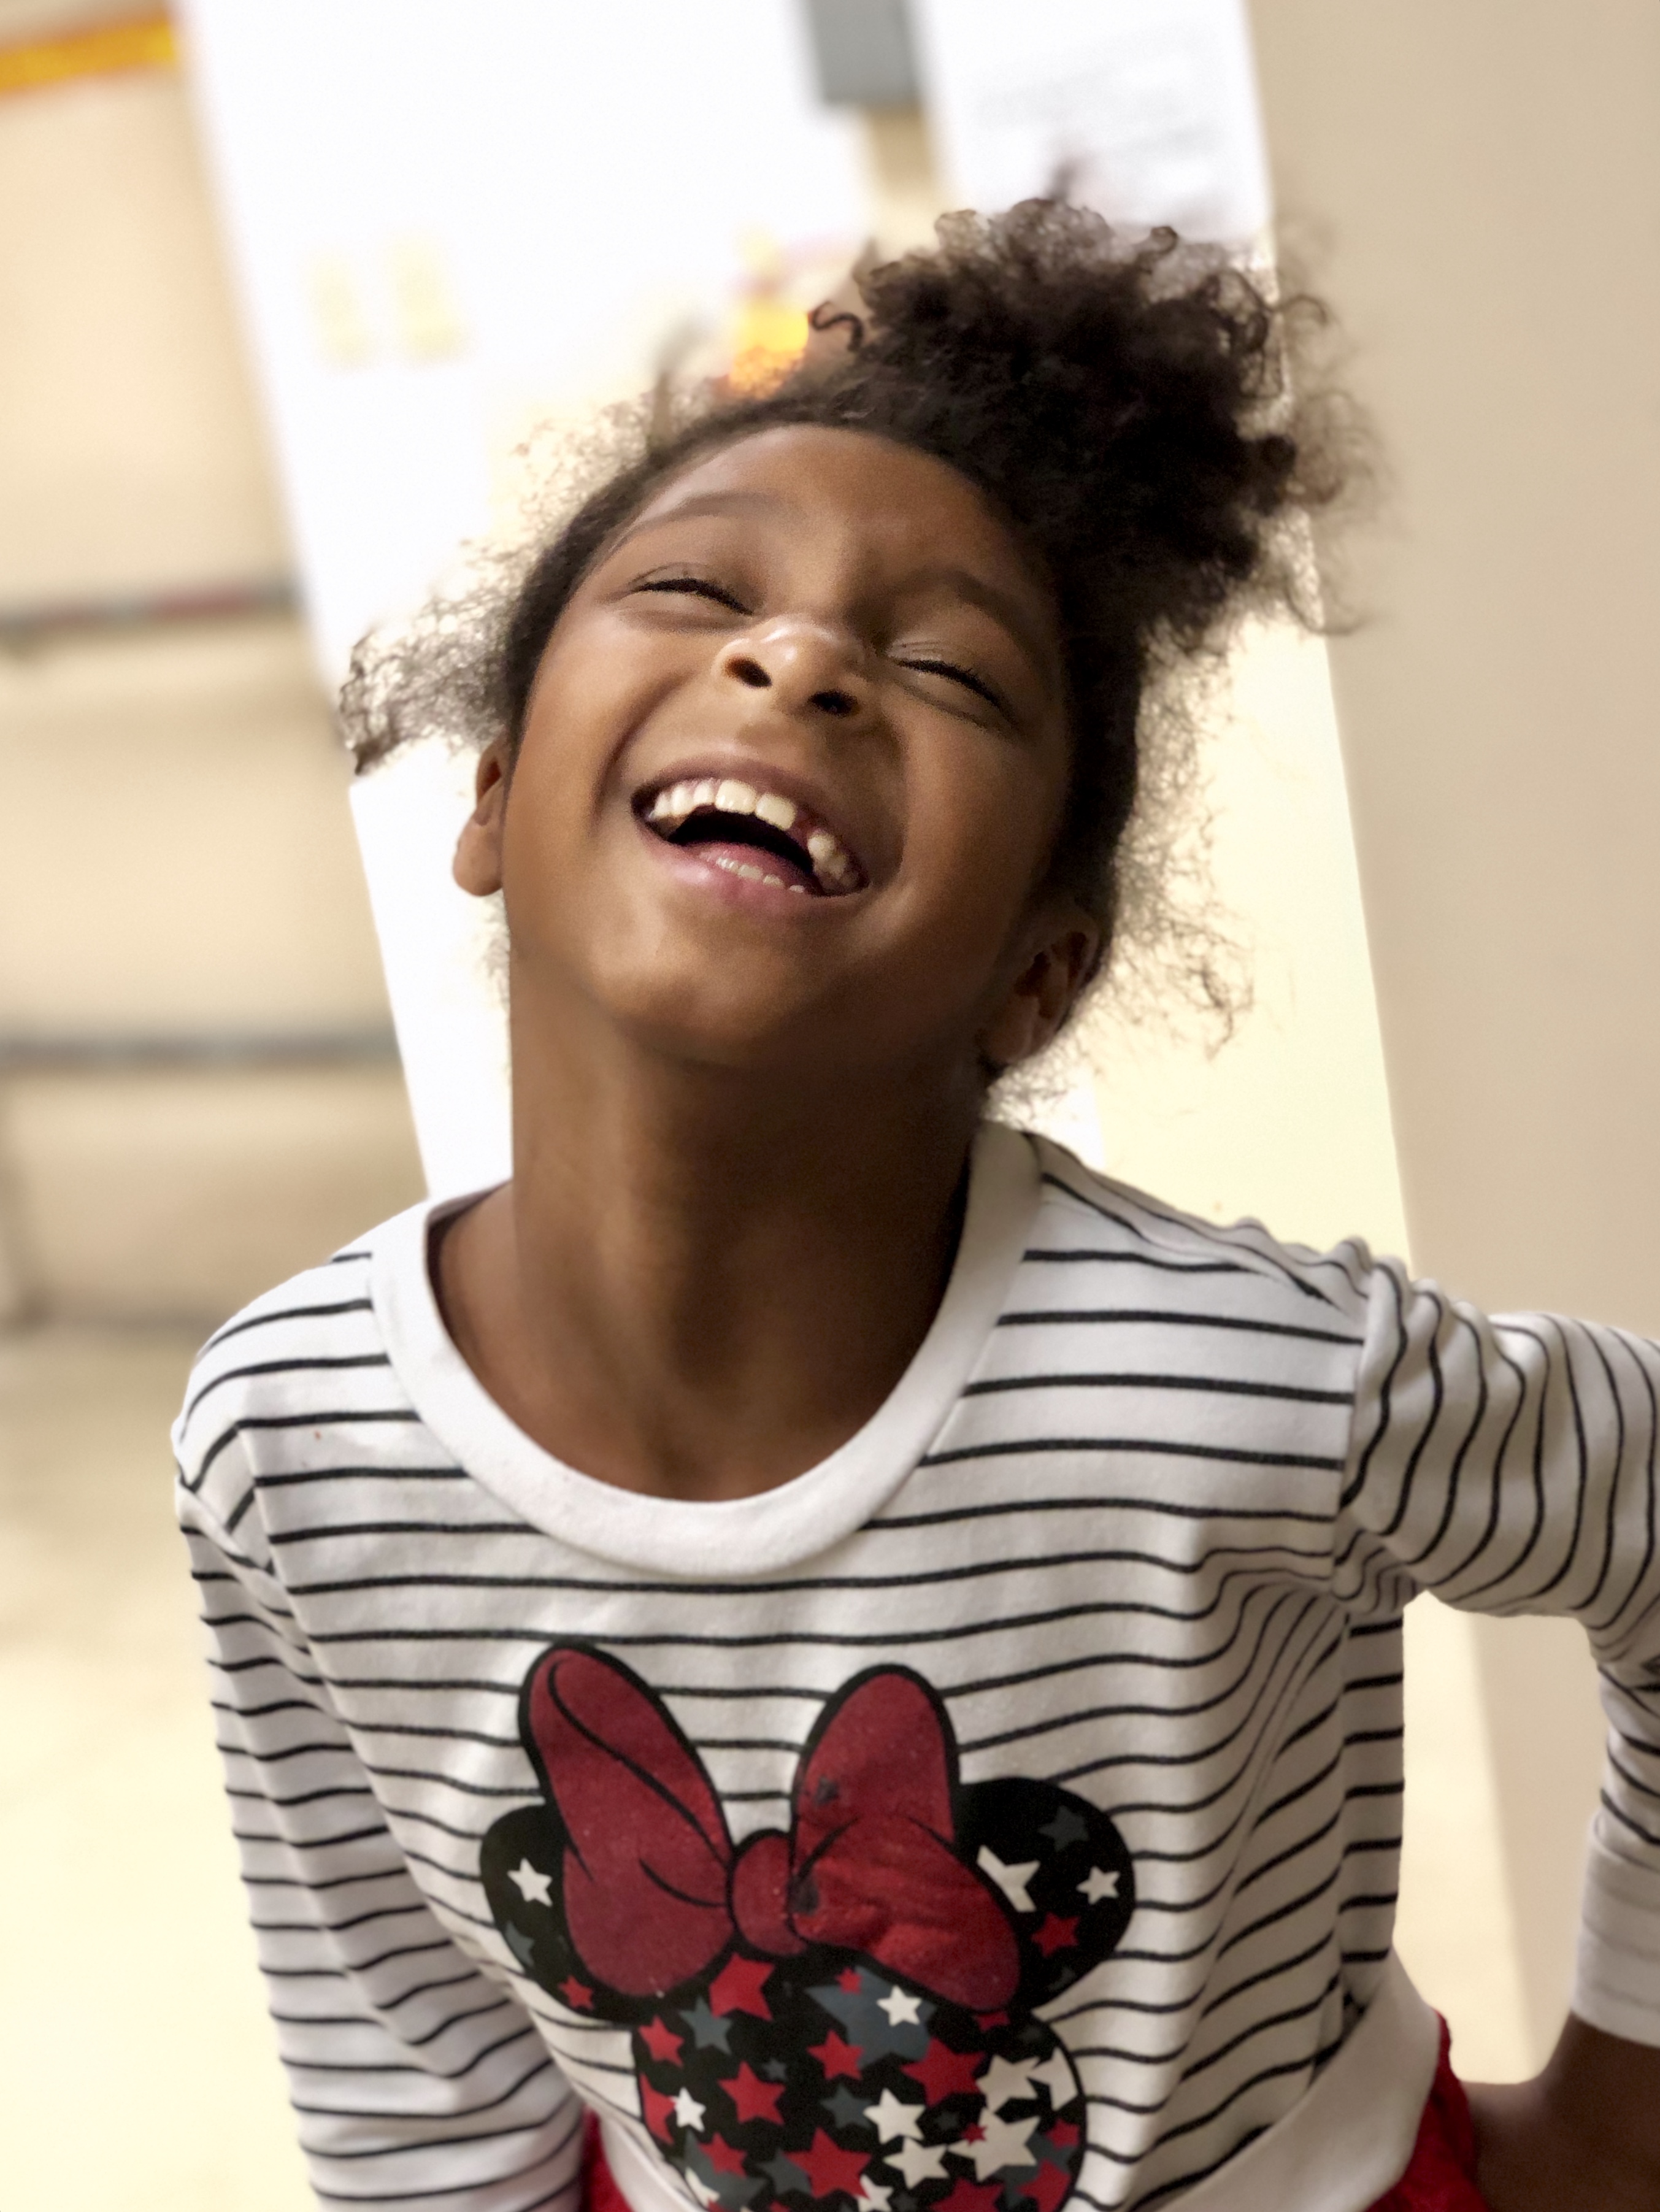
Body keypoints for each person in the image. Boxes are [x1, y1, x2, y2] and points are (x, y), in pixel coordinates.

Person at [174, 203, 1660, 2212]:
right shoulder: (285, 1438)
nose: (795, 658)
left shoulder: (1260, 1382)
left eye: (948, 670)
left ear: (1038, 972)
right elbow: (407, 2076)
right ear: (493, 796)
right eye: (694, 588)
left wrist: (1624, 2109)